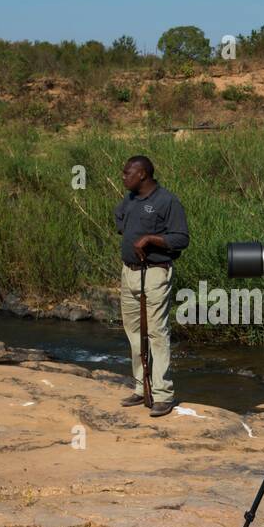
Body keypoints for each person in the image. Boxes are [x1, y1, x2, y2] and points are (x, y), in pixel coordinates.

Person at [113, 156, 189, 418]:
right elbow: (120, 219)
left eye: (127, 173)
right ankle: (140, 385)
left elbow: (181, 238)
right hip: (129, 272)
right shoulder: (131, 198)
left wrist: (150, 239)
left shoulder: (167, 201)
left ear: (142, 174)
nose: (123, 177)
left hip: (155, 273)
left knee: (157, 332)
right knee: (134, 331)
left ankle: (163, 394)